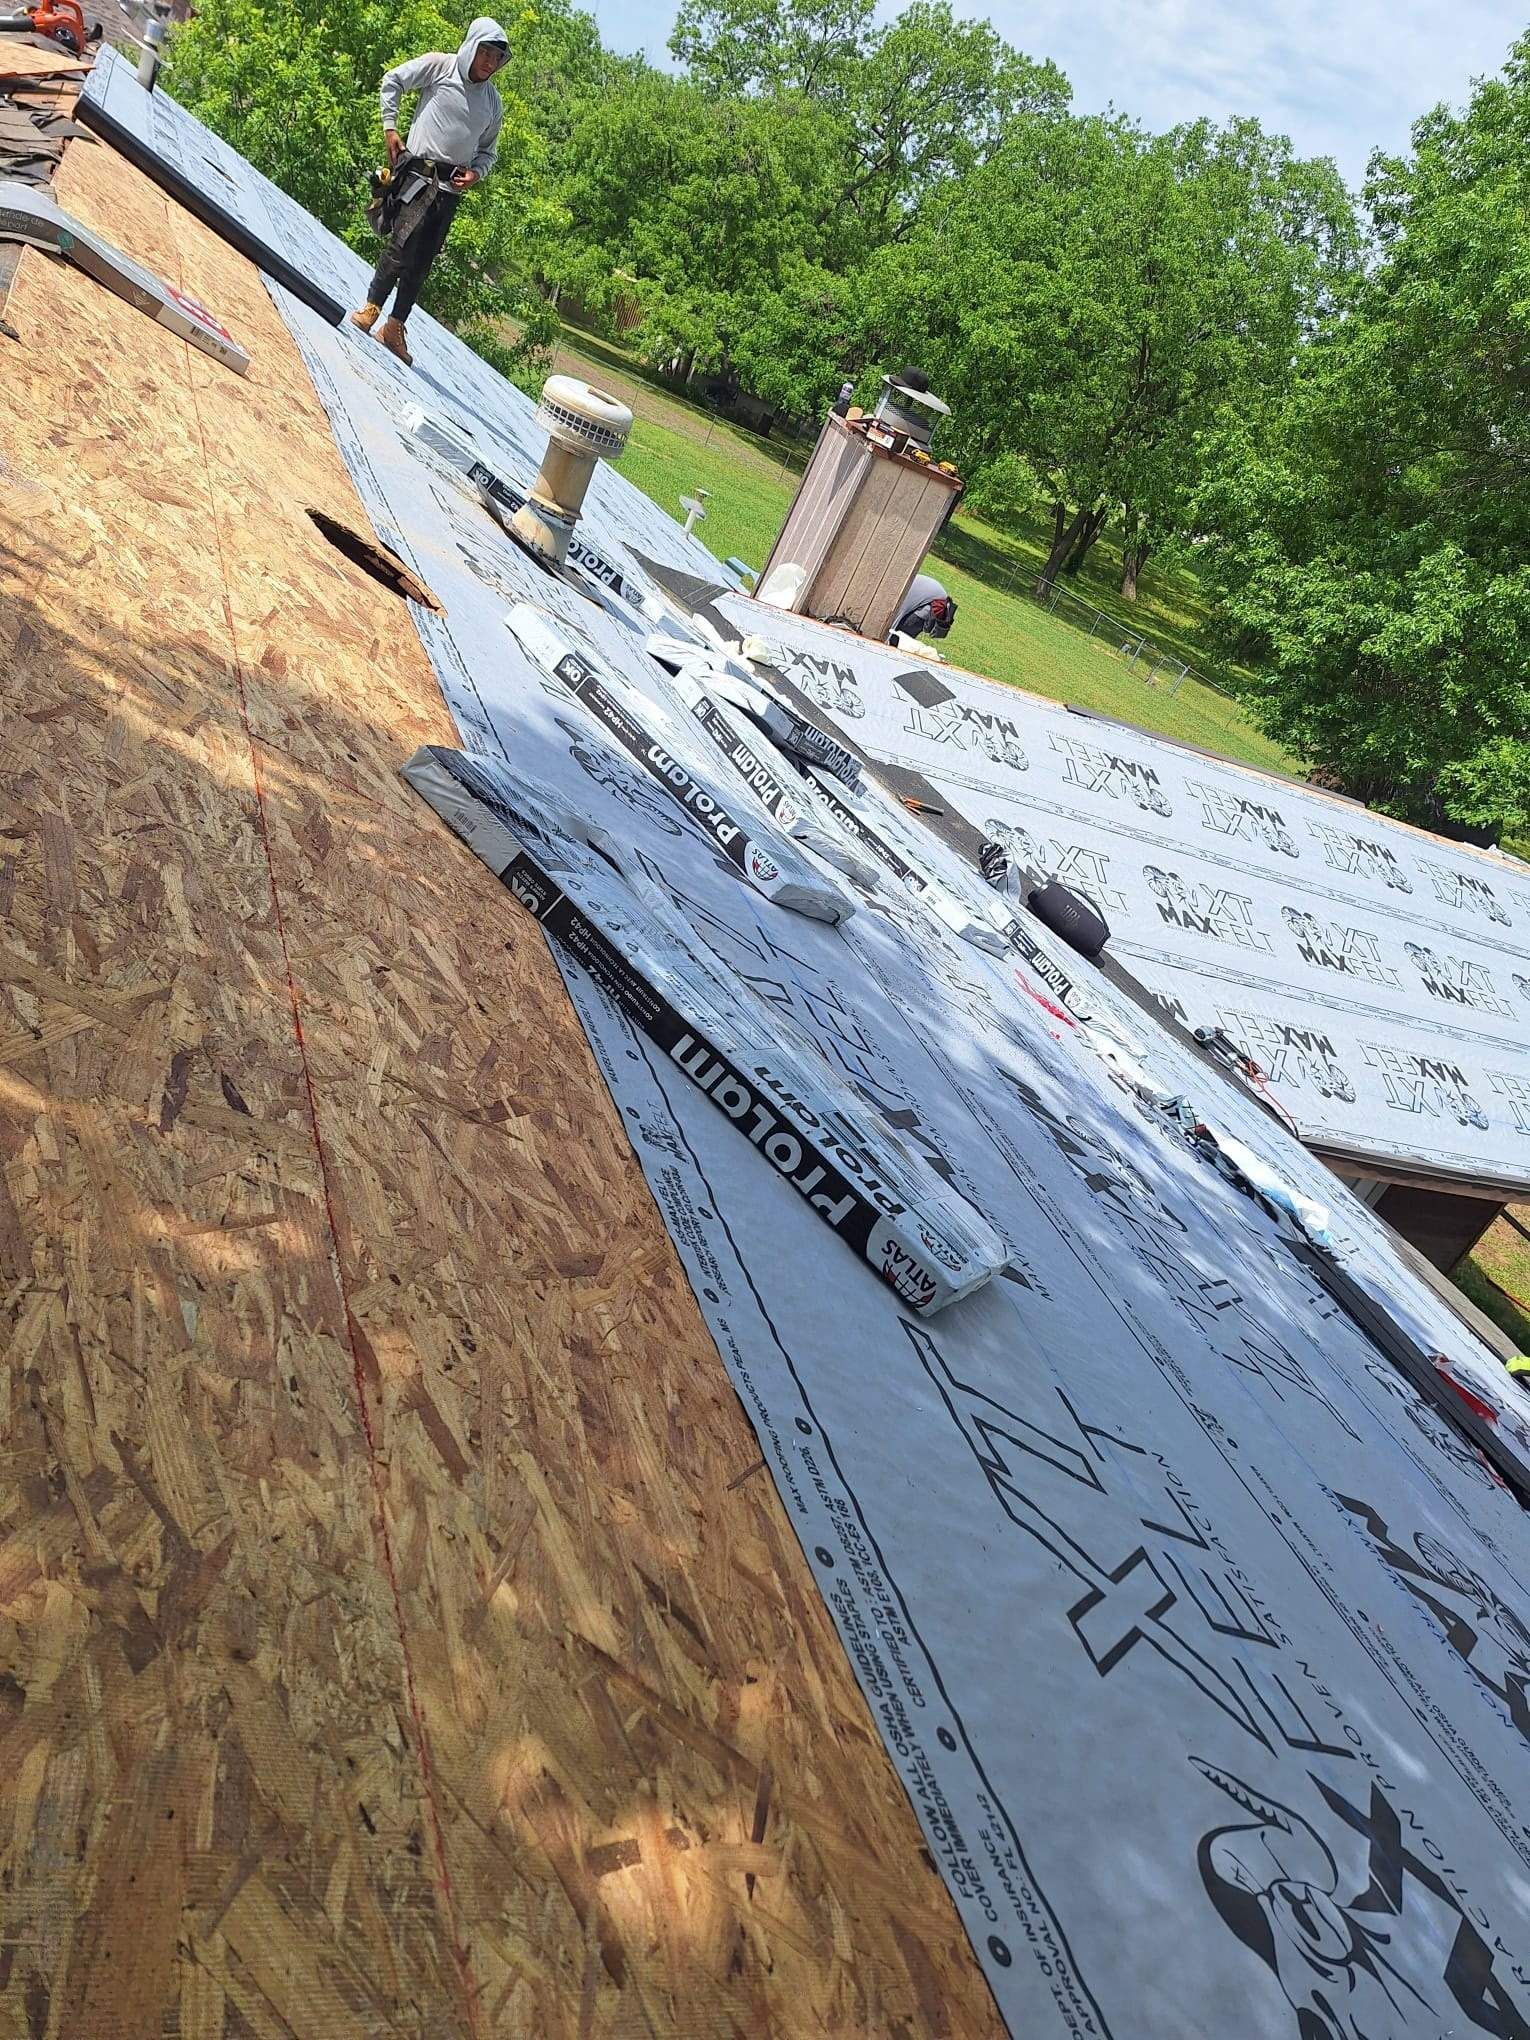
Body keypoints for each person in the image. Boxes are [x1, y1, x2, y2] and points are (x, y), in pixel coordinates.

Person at [350, 18, 510, 365]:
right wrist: (390, 127)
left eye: (496, 57)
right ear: (472, 47)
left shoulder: (493, 103)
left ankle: (394, 327)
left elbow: (488, 151)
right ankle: (371, 309)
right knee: (399, 248)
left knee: (422, 262)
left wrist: (477, 173)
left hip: (449, 191)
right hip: (418, 177)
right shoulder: (440, 66)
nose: (489, 62)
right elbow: (394, 79)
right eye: (485, 52)